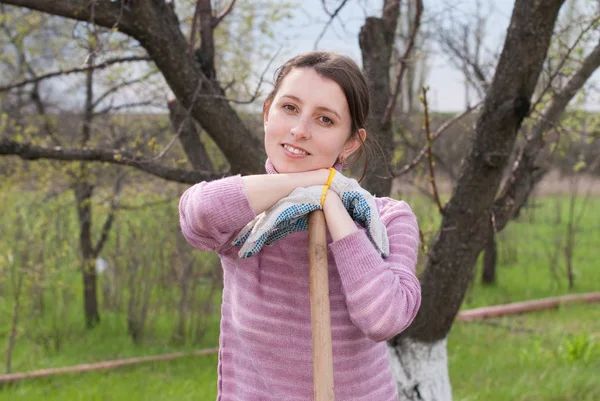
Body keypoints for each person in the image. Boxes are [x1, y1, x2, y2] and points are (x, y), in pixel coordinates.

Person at [179, 51, 421, 401]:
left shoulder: (387, 219)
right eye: (289, 108)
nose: (299, 130)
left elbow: (384, 318)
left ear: (350, 143)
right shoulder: (249, 218)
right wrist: (313, 180)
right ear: (267, 113)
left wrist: (334, 206)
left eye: (325, 120)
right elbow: (197, 216)